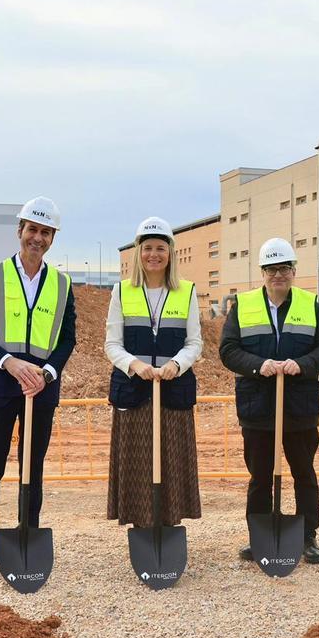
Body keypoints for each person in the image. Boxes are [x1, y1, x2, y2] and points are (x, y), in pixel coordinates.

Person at [0, 196, 76, 580]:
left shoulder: (62, 285)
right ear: (20, 230)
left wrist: (47, 374)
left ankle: (28, 539)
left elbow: (67, 339)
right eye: (32, 230)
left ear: (53, 238)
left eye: (45, 232)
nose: (37, 238)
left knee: (32, 468)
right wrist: (9, 362)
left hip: (40, 390)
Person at [220, 238, 319, 564]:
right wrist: (259, 365)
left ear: (293, 271)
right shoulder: (243, 306)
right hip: (258, 407)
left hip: (299, 406)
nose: (278, 275)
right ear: (263, 272)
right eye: (271, 269)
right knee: (260, 476)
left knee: (304, 473)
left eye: (284, 268)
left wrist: (303, 364)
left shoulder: (310, 305)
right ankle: (260, 535)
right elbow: (228, 350)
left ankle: (307, 536)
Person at [104, 216, 203, 531]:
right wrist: (135, 365)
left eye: (160, 248)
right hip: (134, 393)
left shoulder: (186, 291)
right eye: (148, 248)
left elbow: (194, 343)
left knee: (171, 464)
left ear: (170, 252)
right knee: (137, 465)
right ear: (138, 252)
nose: (154, 254)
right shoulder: (122, 291)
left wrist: (177, 364)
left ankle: (169, 526)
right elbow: (112, 344)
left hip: (173, 393)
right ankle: (142, 528)